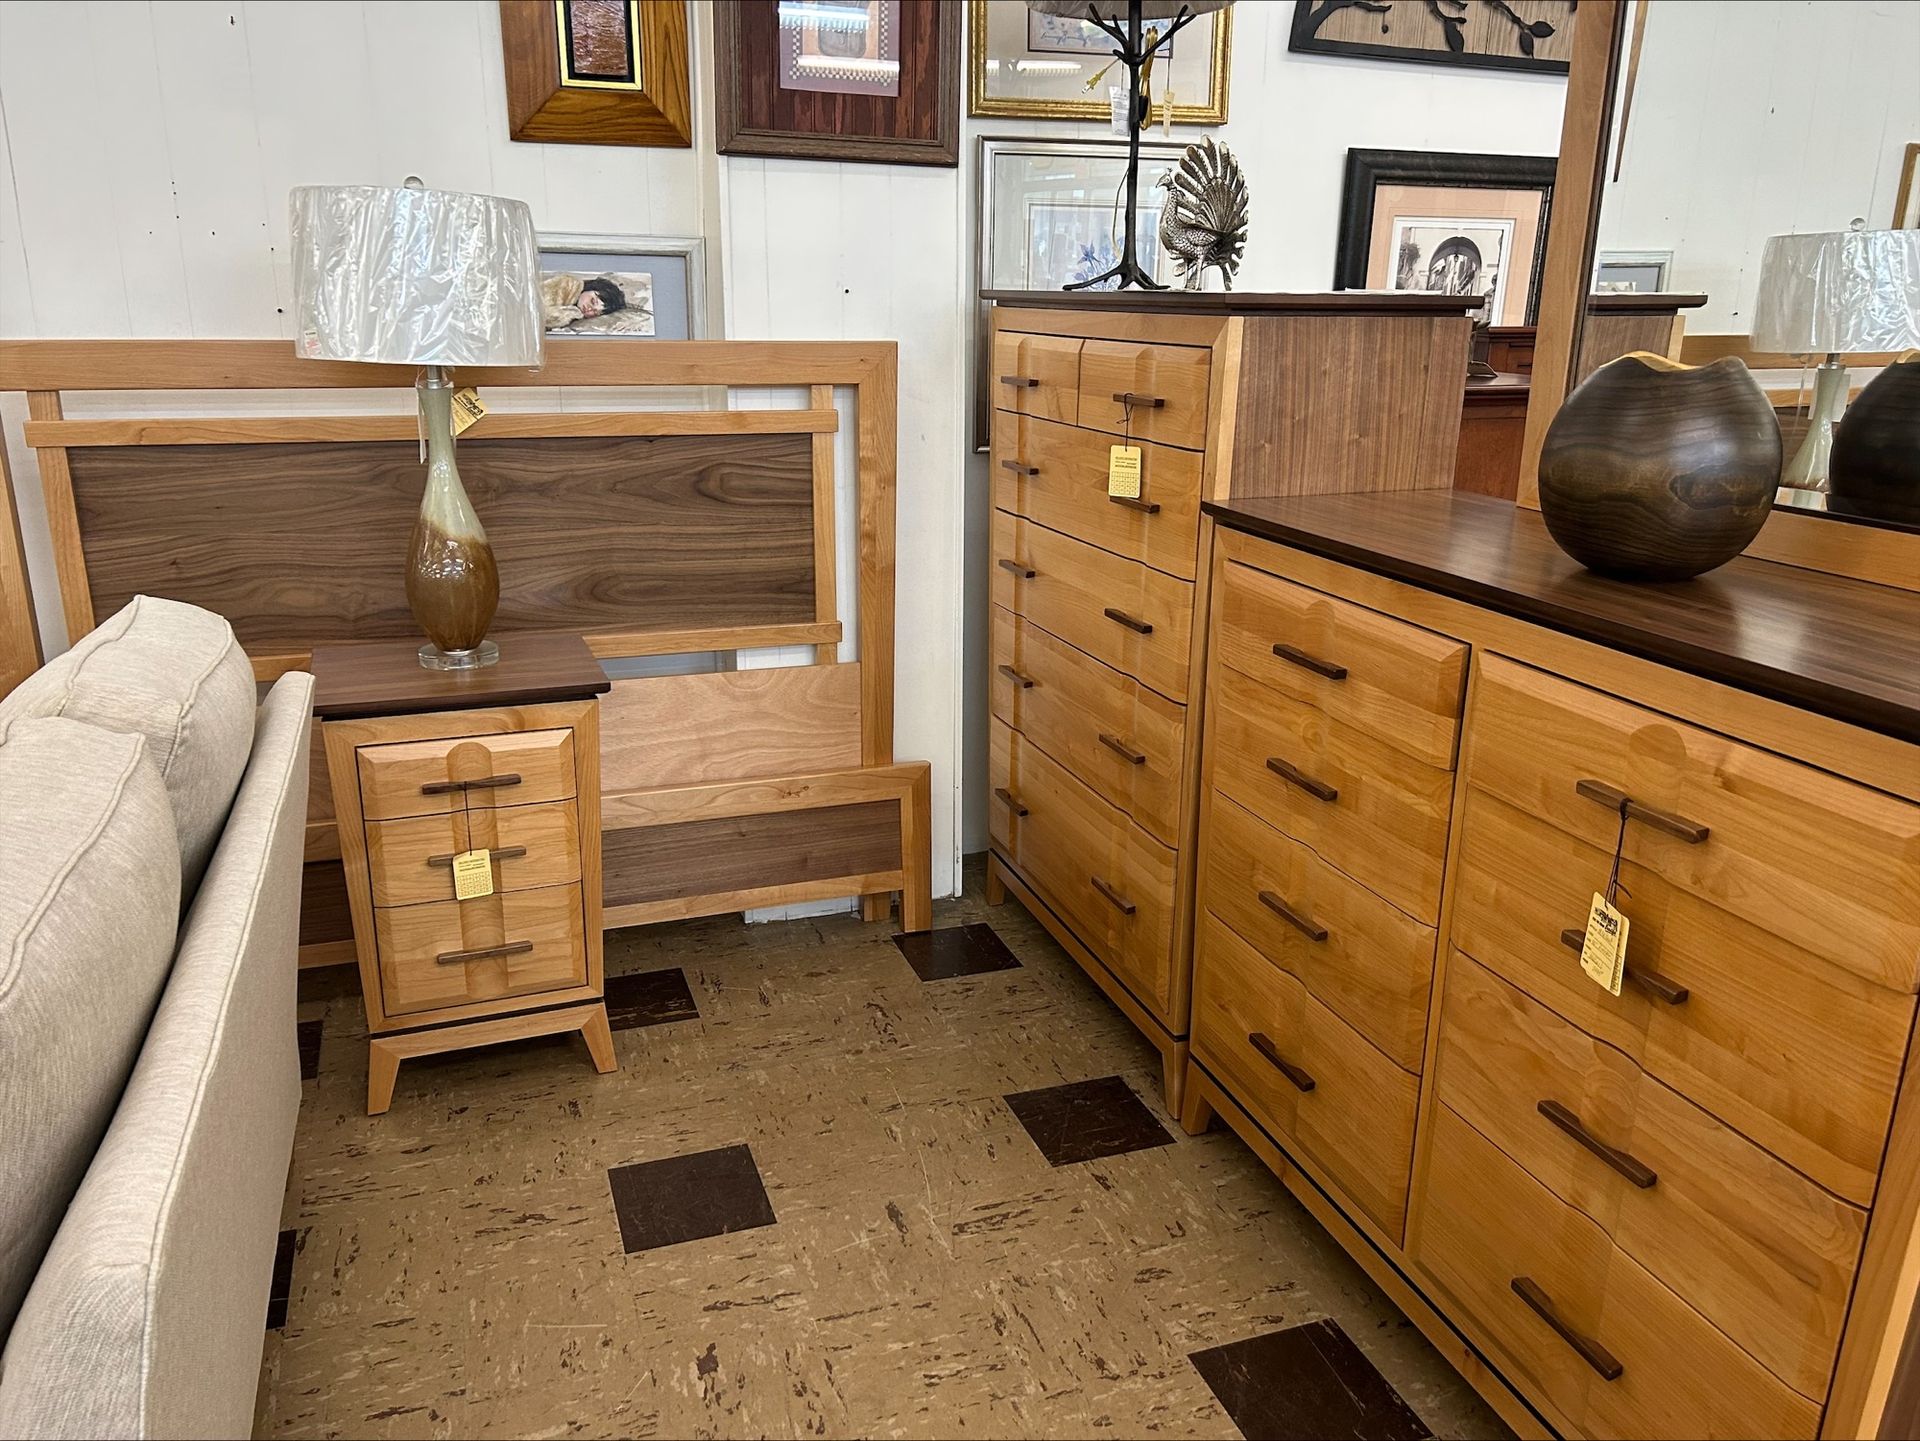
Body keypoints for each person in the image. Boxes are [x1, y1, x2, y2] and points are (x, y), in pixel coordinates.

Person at [541, 273, 627, 330]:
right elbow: (540, 315)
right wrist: (570, 314)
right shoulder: (568, 284)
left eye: (595, 312)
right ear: (590, 288)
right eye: (592, 301)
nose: (589, 310)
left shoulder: (578, 318)